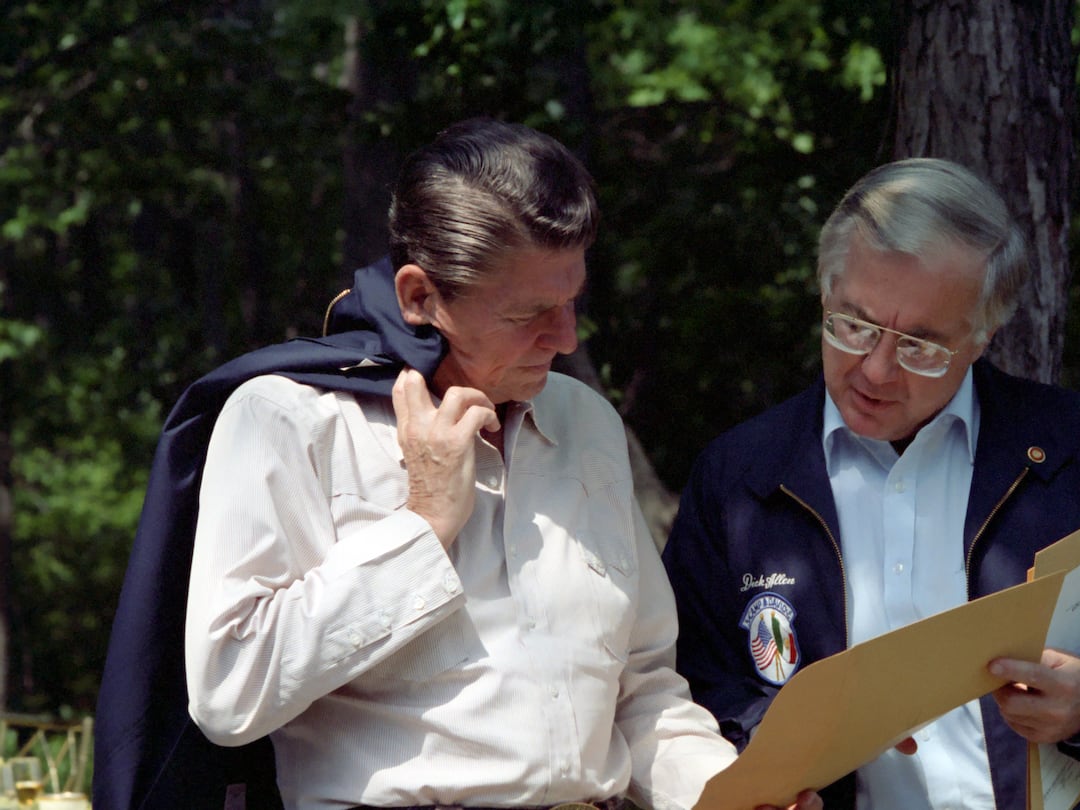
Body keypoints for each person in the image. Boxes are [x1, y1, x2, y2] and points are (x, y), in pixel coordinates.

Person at [94, 117, 820, 810]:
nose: (564, 337)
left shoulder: (584, 421)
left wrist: (730, 791)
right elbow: (229, 692)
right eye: (528, 313)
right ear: (420, 295)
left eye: (572, 301)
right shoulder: (286, 418)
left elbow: (641, 692)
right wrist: (422, 525)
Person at [661, 157, 1080, 810]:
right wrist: (768, 749)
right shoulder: (742, 478)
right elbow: (686, 694)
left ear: (983, 335)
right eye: (853, 324)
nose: (877, 370)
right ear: (823, 292)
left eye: (921, 345)